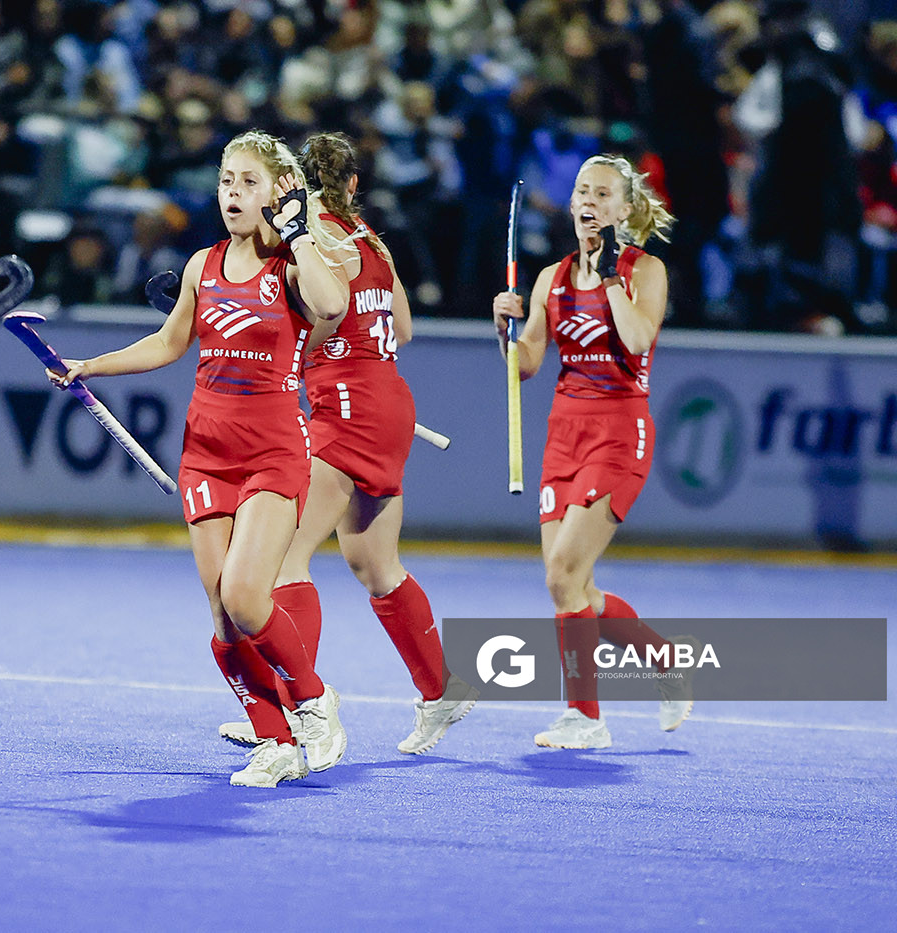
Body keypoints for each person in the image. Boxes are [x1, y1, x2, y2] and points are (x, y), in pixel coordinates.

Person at [52, 131, 349, 788]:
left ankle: (313, 699)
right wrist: (90, 366)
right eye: (226, 181)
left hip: (272, 451)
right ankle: (275, 743)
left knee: (245, 596)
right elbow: (168, 342)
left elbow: (332, 305)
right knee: (221, 615)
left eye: (248, 182)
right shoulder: (202, 264)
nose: (233, 194)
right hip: (205, 454)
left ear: (280, 192)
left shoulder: (293, 265)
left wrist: (298, 229)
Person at [216, 132, 479, 756]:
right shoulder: (370, 238)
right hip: (387, 400)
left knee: (283, 559)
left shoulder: (310, 239)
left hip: (346, 408)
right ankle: (441, 688)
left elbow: (323, 316)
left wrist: (267, 349)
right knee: (374, 564)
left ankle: (294, 710)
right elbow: (402, 329)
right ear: (354, 185)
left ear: (289, 187)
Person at [492, 154, 698, 749]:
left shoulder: (645, 271)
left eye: (602, 194)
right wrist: (503, 329)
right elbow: (525, 365)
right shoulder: (550, 279)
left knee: (564, 574)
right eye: (583, 191)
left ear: (624, 209)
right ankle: (664, 660)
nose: (588, 201)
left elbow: (637, 339)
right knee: (570, 586)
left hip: (619, 432)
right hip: (564, 435)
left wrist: (609, 276)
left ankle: (585, 717)